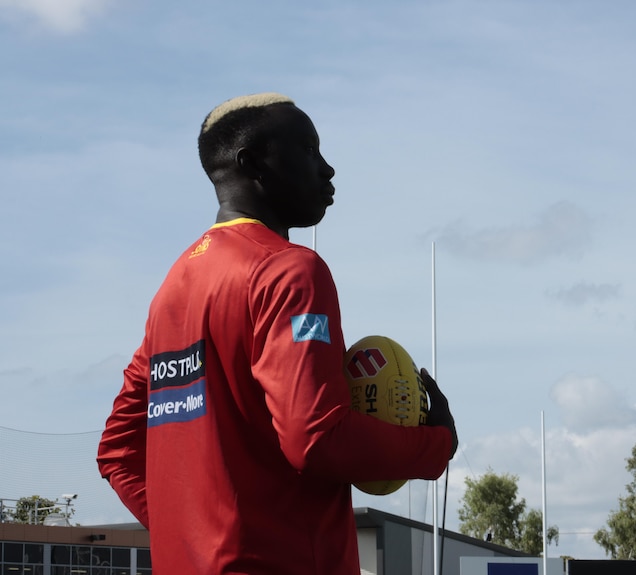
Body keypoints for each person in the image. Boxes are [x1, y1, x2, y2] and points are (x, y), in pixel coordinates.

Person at [97, 92, 457, 575]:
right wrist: (435, 444)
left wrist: (189, 535)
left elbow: (118, 450)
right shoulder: (289, 271)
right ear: (255, 164)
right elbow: (316, 438)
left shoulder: (172, 291)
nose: (327, 169)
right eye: (309, 151)